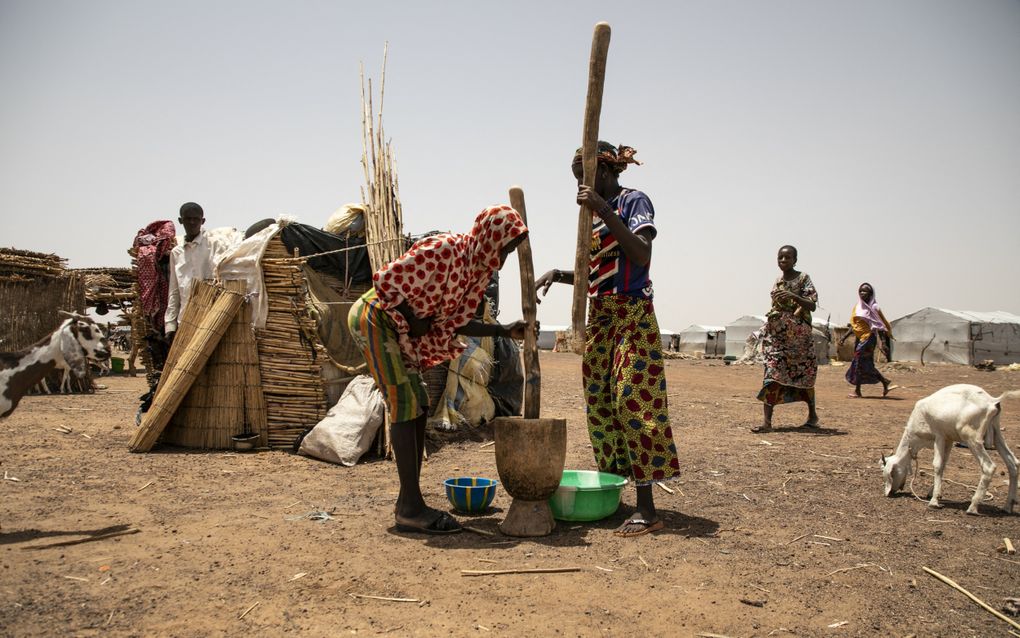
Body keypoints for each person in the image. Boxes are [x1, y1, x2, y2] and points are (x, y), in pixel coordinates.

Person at [348, 206, 533, 535]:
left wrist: (505, 330)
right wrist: (413, 317)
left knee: (417, 401)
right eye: (503, 247)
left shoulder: (474, 273)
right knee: (404, 401)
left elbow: (458, 323)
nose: (503, 256)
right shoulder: (447, 250)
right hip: (376, 318)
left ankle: (409, 502)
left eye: (508, 250)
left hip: (397, 330)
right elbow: (387, 279)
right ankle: (409, 507)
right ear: (489, 237)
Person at [536, 142, 680, 538]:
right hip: (601, 318)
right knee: (600, 404)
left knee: (633, 400)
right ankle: (616, 491)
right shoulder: (595, 218)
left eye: (581, 176)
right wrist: (559, 275)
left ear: (602, 170)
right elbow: (598, 271)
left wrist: (602, 207)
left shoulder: (633, 202)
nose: (578, 185)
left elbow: (641, 253)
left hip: (632, 314)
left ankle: (648, 508)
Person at [752, 245, 819, 432]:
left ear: (795, 260)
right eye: (780, 257)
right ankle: (767, 423)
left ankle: (813, 415)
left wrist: (793, 296)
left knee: (804, 375)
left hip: (799, 340)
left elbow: (811, 305)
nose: (783, 261)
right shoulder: (778, 281)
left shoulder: (804, 278)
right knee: (771, 373)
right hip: (778, 337)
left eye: (787, 257)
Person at [163, 202, 237, 342]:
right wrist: (170, 326)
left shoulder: (216, 245)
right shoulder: (176, 253)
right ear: (180, 221)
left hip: (211, 317)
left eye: (196, 219)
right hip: (186, 319)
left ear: (202, 221)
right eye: (188, 219)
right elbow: (174, 291)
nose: (192, 223)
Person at [839, 282, 895, 398]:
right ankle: (884, 381)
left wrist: (884, 342)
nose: (862, 293)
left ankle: (858, 391)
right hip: (859, 339)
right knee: (865, 364)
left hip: (869, 339)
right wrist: (844, 337)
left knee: (858, 362)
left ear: (871, 294)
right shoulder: (858, 306)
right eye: (860, 291)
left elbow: (879, 325)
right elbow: (854, 326)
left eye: (865, 291)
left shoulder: (874, 307)